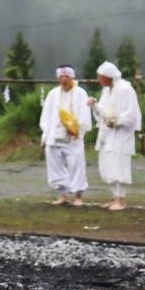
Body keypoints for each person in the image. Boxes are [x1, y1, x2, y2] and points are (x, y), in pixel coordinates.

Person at [86, 61, 141, 211]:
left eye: (100, 77)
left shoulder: (125, 89)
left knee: (119, 164)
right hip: (107, 134)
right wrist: (95, 106)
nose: (99, 80)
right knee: (107, 163)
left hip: (122, 134)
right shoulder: (106, 91)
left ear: (108, 76)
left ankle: (121, 200)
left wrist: (117, 121)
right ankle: (115, 197)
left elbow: (131, 114)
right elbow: (104, 112)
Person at [39, 65, 92, 205]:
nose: (63, 79)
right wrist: (47, 132)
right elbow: (45, 116)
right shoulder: (52, 94)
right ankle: (63, 195)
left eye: (66, 76)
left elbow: (85, 115)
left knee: (76, 166)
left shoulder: (80, 93)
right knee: (56, 167)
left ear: (72, 77)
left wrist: (76, 129)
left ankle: (78, 197)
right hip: (54, 137)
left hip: (73, 138)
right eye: (61, 76)